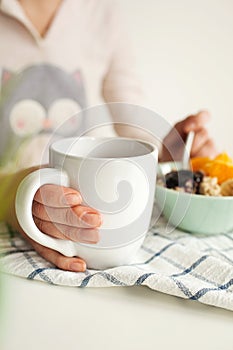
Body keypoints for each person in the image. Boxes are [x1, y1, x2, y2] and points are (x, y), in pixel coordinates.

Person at [0, 0, 217, 272]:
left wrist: (170, 151)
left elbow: (132, 116)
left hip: (85, 218)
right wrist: (15, 195)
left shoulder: (102, 12)